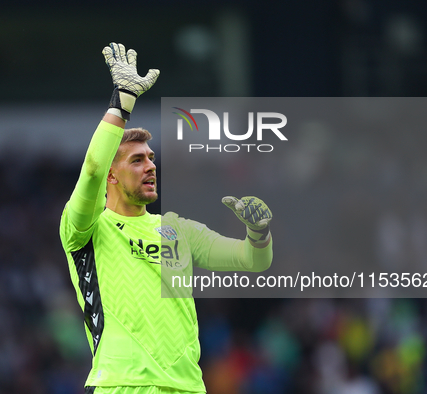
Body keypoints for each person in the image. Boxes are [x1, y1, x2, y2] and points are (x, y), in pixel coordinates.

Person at [59, 42, 274, 394]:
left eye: (151, 158)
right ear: (112, 177)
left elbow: (254, 260)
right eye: (137, 160)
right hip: (123, 385)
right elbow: (93, 167)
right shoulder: (86, 229)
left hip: (187, 387)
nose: (150, 166)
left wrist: (259, 231)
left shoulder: (178, 229)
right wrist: (123, 101)